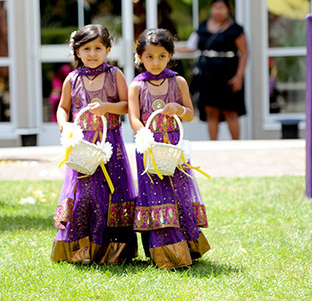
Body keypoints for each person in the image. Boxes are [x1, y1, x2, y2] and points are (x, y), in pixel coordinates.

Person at [51, 24, 137, 265]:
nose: (92, 54)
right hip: (82, 145)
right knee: (83, 193)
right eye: (86, 48)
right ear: (77, 51)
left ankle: (113, 252)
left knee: (111, 191)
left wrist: (106, 108)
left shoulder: (114, 75)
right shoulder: (72, 78)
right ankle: (81, 248)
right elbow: (63, 107)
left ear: (108, 50)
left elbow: (126, 105)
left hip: (109, 144)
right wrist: (64, 125)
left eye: (98, 48)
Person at [128, 28, 210, 269]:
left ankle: (187, 246)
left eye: (162, 56)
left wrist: (179, 109)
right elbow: (133, 118)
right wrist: (144, 135)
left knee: (178, 193)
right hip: (150, 147)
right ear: (140, 57)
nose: (155, 62)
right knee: (155, 196)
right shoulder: (136, 86)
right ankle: (164, 253)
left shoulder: (178, 81)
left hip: (174, 147)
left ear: (170, 56)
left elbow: (191, 114)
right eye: (149, 56)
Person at [181, 0, 248, 140]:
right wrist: (168, 49)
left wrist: (239, 76)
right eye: (215, 8)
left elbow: (244, 53)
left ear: (228, 10)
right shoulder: (203, 26)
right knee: (211, 110)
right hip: (208, 75)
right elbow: (191, 47)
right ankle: (213, 145)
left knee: (231, 111)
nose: (218, 11)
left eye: (221, 8)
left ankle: (236, 146)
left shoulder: (235, 29)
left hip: (229, 74)